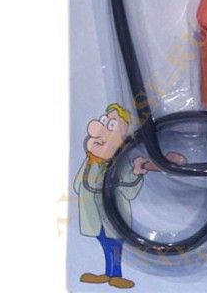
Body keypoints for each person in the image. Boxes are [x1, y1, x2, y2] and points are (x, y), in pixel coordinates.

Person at [74, 103, 185, 289]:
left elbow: (128, 189)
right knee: (105, 241)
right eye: (104, 121)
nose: (97, 129)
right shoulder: (91, 162)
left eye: (110, 125)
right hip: (93, 213)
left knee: (114, 242)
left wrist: (136, 171)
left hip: (113, 215)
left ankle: (115, 274)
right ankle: (108, 273)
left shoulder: (121, 162)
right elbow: (79, 185)